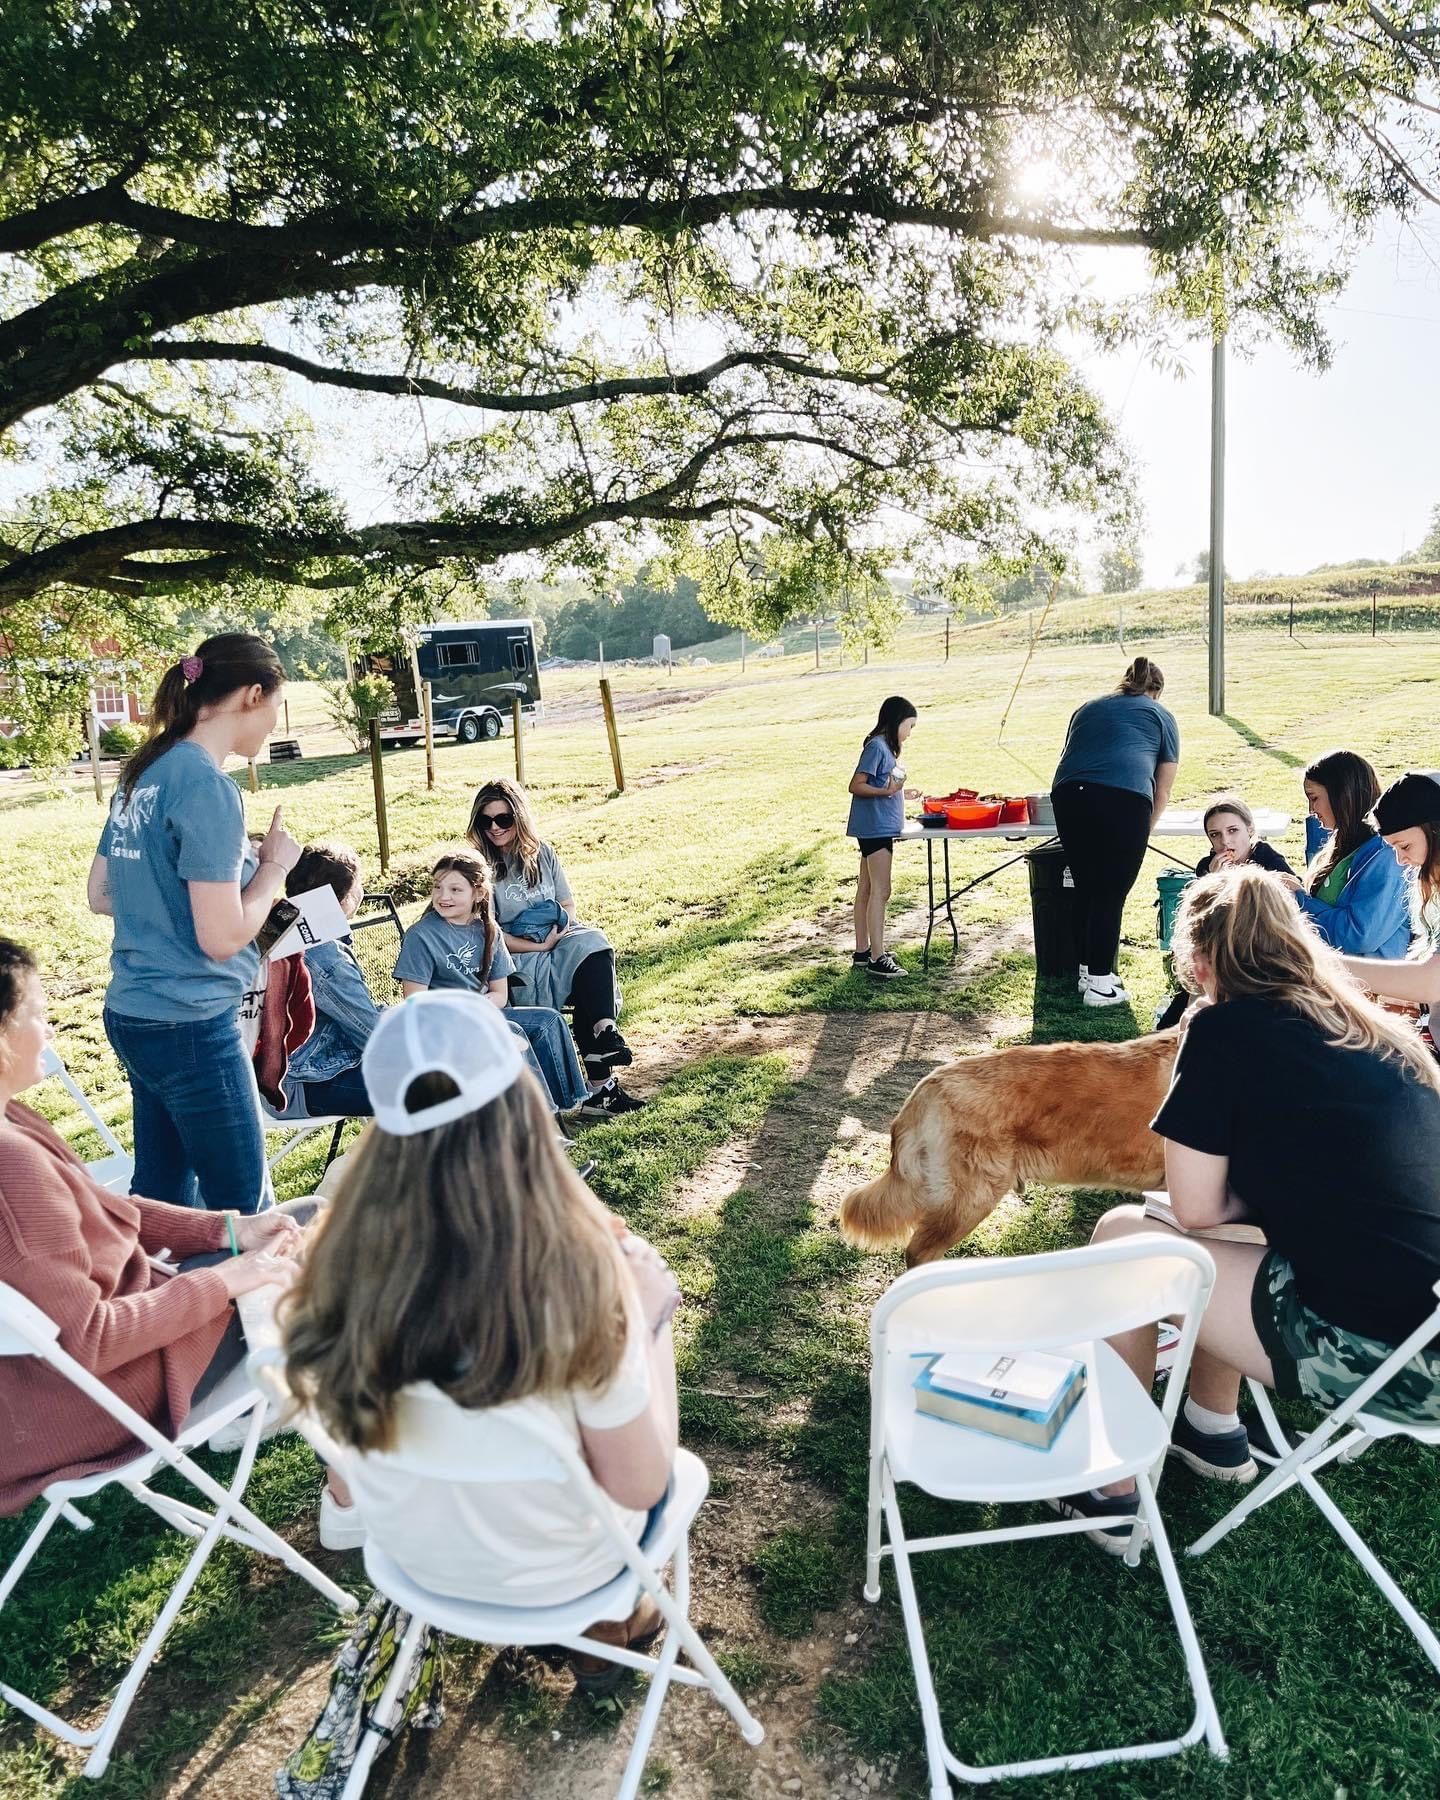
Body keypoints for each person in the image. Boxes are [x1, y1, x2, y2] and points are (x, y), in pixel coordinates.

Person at [281, 992, 682, 1682]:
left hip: (419, 1563)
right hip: (566, 1572)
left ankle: (593, 1621)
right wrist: (647, 1324)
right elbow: (645, 1485)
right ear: (522, 1108)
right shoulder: (581, 1284)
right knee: (641, 1355)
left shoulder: (329, 1274)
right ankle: (610, 1623)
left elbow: (345, 1483)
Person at [1050, 869, 1440, 1551]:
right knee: (1226, 1231)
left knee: (1125, 1237)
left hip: (1386, 1363)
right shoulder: (1379, 1030)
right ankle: (1212, 1428)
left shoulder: (1224, 1030)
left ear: (1199, 965)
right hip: (1426, 1332)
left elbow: (1196, 1208)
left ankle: (1109, 1487)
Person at [0, 937, 302, 1515]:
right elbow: (93, 1340)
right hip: (110, 1393)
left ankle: (271, 1400)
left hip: (93, 1366)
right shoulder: (12, 1169)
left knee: (293, 1227)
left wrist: (229, 1232)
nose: (50, 1030)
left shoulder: (12, 1120)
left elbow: (113, 1211)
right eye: (36, 1013)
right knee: (320, 1250)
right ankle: (334, 1468)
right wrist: (227, 1279)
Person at [86, 634, 301, 1213]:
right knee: (241, 1211)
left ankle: (158, 1300)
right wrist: (274, 871)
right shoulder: (208, 785)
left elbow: (103, 893)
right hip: (191, 1023)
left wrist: (219, 875)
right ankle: (228, 1305)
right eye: (276, 706)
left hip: (134, 1012)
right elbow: (222, 936)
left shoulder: (144, 771)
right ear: (253, 695)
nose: (274, 725)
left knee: (163, 1203)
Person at [466, 780, 645, 1118]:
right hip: (515, 955)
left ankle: (604, 1034)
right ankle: (601, 1089)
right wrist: (539, 944)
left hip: (558, 940)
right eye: (485, 821)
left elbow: (567, 904)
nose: (494, 828)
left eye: (503, 819)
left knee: (593, 941)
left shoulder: (542, 854)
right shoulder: (478, 868)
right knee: (584, 969)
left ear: (519, 817)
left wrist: (558, 933)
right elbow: (487, 933)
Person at [394, 852, 592, 1117]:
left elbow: (500, 993)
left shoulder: (488, 930)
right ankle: (533, 1124)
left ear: (478, 893)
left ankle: (560, 1107)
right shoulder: (422, 935)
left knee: (548, 1021)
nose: (444, 896)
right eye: (437, 887)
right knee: (510, 1032)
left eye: (455, 889)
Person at [1050, 655, 1179, 1008]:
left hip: (1068, 795)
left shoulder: (1087, 708)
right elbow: (1161, 789)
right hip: (1122, 798)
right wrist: (1142, 831)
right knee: (1111, 891)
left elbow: (1072, 757)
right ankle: (1101, 986)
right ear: (1156, 691)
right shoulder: (1160, 715)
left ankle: (1086, 973)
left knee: (1086, 886)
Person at [1274, 749, 1411, 957]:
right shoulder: (1340, 844)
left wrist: (1299, 899)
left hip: (1369, 984)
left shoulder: (1388, 855)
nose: (1311, 810)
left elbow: (1360, 935)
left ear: (1341, 794)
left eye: (1314, 798)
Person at [279, 842, 380, 1120]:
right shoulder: (323, 954)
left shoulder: (278, 921)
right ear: (342, 900)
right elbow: (375, 1040)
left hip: (275, 1077)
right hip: (305, 1082)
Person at [845, 696, 920, 980]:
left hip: (876, 826)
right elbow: (857, 785)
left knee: (866, 888)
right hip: (875, 828)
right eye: (909, 726)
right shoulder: (877, 746)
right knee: (881, 890)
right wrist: (887, 793)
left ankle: (863, 951)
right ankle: (878, 957)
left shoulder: (884, 748)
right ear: (897, 720)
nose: (910, 733)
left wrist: (901, 792)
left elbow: (881, 783)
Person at [1193, 797, 1294, 881]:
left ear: (1250, 830)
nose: (1224, 841)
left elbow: (1299, 893)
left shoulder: (1267, 857)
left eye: (1232, 830)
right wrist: (1214, 881)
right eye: (1215, 834)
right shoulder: (1206, 867)